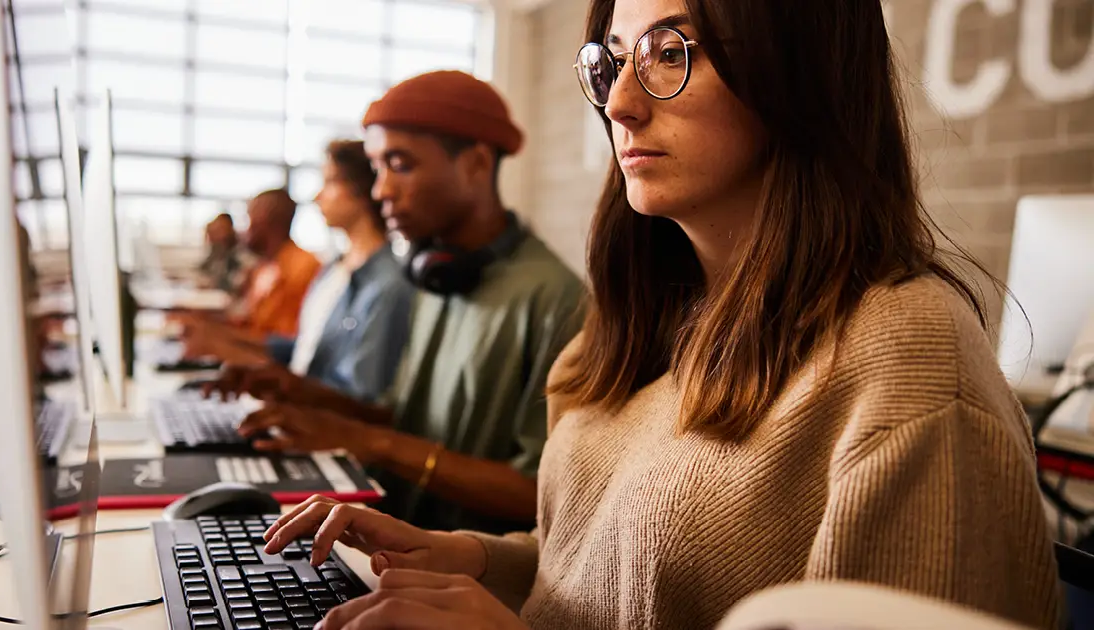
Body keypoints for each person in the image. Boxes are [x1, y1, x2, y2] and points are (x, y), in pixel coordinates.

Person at [250, 1, 1061, 629]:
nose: (621, 104)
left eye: (670, 53)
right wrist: (462, 558)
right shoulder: (652, 320)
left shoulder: (909, 362)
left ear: (797, 71)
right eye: (611, 63)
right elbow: (602, 575)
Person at [208, 71, 585, 533]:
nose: (381, 189)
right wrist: (299, 392)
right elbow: (404, 417)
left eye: (400, 164)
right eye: (377, 166)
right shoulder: (437, 273)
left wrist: (372, 442)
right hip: (394, 538)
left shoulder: (555, 300)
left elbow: (538, 492)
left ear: (477, 164)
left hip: (466, 575)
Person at [260, 139, 417, 403]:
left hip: (319, 425)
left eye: (330, 182)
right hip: (296, 410)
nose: (317, 196)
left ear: (363, 190)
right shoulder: (332, 269)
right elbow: (306, 353)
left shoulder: (388, 285)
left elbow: (362, 393)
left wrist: (282, 387)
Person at [182, 189, 322, 361]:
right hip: (248, 364)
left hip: (272, 373)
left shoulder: (304, 267)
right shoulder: (263, 267)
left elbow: (290, 343)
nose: (245, 229)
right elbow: (249, 323)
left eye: (250, 218)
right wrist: (206, 325)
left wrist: (222, 339)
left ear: (267, 220)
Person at [197, 212, 255, 295]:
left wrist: (212, 283)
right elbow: (203, 270)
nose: (214, 235)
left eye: (219, 229)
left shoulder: (240, 254)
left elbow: (236, 283)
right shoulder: (216, 251)